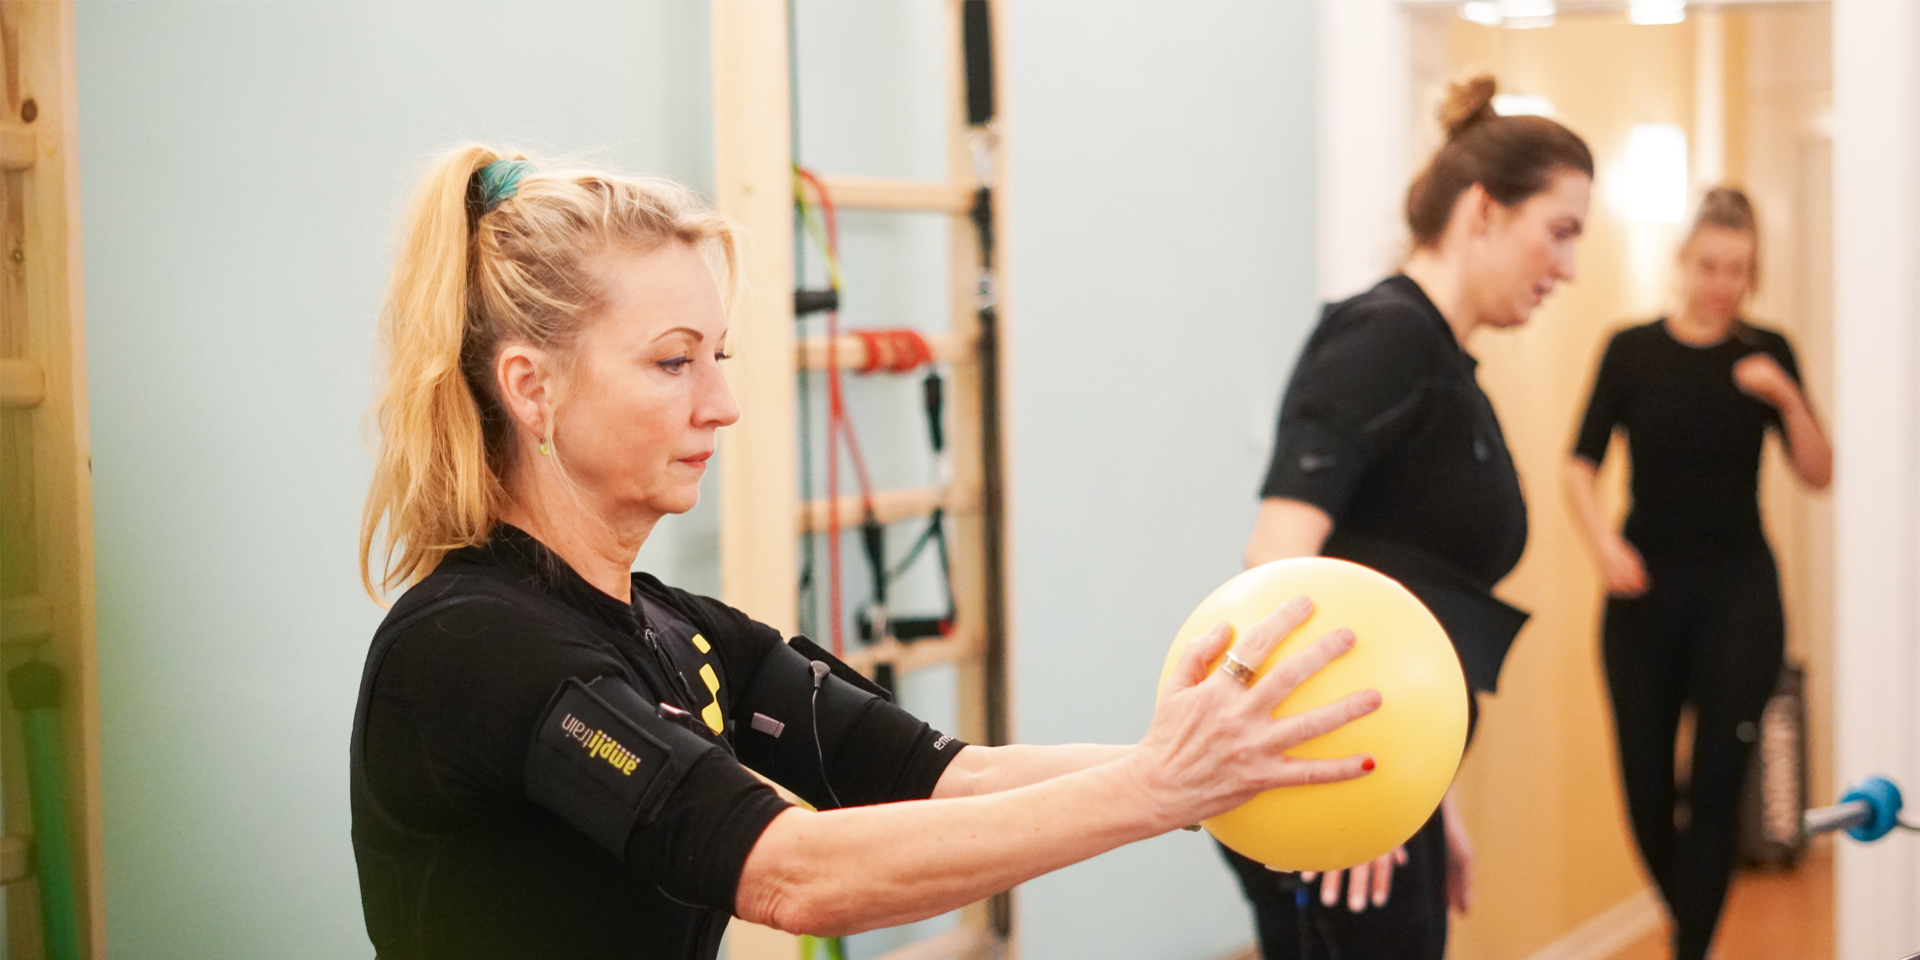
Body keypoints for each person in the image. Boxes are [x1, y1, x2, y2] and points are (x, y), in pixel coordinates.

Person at [350, 145, 1388, 960]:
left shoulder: (673, 631)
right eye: (673, 364)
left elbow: (947, 778)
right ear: (531, 388)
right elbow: (793, 874)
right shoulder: (471, 647)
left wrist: (1225, 767)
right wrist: (1158, 788)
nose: (723, 404)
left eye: (719, 358)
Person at [1224, 76, 1592, 960]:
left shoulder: (1441, 360)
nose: (1569, 268)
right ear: (1483, 212)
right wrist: (1355, 795)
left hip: (1386, 774)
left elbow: (1392, 593)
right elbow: (1276, 558)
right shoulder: (1384, 338)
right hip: (1340, 782)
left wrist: (1428, 790)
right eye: (1560, 231)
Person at [1563, 187, 1830, 960]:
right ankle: (1698, 937)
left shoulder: (1767, 352)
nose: (1722, 284)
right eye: (1709, 266)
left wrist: (1787, 398)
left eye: (1739, 271)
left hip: (1740, 594)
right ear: (1682, 263)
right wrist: (1600, 546)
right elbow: (1578, 464)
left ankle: (1691, 952)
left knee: (1717, 788)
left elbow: (1818, 471)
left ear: (1754, 275)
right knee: (1647, 795)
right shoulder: (1631, 350)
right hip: (1643, 593)